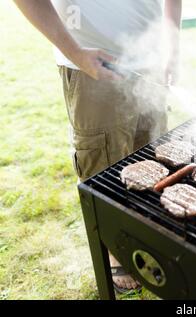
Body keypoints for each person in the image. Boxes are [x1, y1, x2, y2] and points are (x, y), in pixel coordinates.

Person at [14, 0, 182, 293]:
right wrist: (76, 54)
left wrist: (172, 48)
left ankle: (145, 234)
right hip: (94, 66)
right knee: (105, 164)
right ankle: (115, 249)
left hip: (151, 60)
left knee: (153, 159)